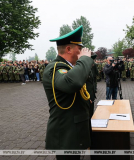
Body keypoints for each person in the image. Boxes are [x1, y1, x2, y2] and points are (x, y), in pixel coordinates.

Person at [42, 25, 93, 160]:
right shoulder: (55, 68)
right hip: (65, 133)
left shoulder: (70, 67)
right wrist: (85, 59)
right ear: (69, 49)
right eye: (79, 49)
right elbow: (73, 83)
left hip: (73, 131)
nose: (82, 52)